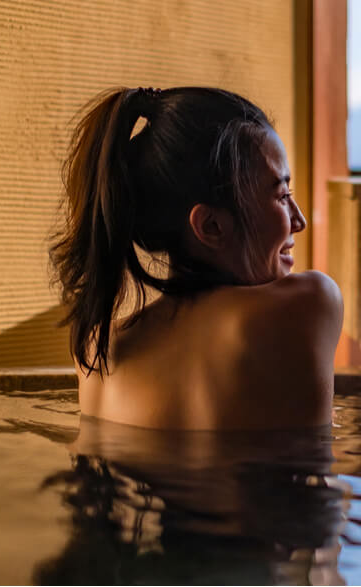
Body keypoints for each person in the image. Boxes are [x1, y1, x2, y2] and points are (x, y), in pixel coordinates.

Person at [50, 87, 342, 430]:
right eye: (281, 196)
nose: (299, 220)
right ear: (211, 226)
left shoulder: (98, 353)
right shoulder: (308, 305)